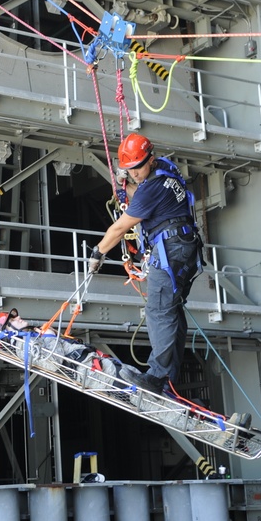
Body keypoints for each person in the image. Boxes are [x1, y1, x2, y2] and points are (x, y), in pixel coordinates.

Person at [87, 133, 203, 395]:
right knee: (171, 312)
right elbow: (147, 197)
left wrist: (98, 253)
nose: (135, 173)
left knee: (158, 311)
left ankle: (158, 376)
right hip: (184, 249)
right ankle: (169, 378)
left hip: (170, 252)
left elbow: (119, 228)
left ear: (149, 159)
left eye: (138, 167)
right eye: (130, 169)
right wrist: (125, 187)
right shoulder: (165, 171)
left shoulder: (151, 188)